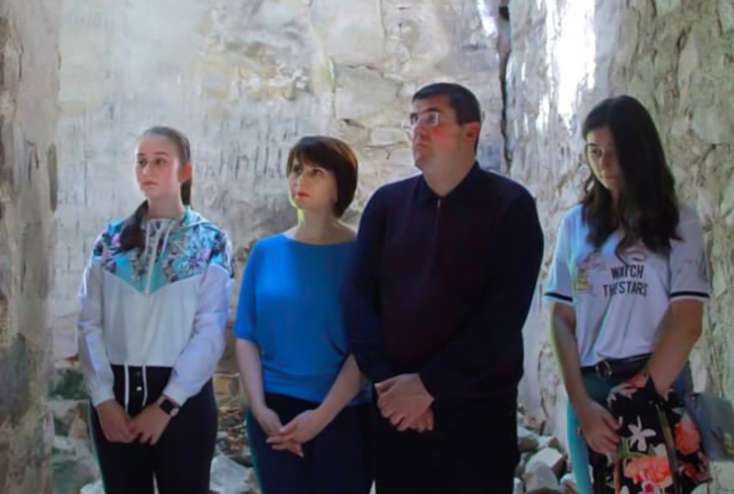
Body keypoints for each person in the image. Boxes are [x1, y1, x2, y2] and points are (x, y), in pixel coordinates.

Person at [343, 82, 544, 493]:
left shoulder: (511, 207)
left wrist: (429, 386)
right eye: (413, 119)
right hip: (397, 411)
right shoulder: (386, 206)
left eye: (432, 118)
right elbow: (357, 299)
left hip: (478, 417)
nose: (418, 129)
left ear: (471, 132)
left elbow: (502, 318)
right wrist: (391, 384)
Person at [545, 95, 711, 493]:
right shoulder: (575, 224)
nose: (605, 164)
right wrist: (582, 405)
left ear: (641, 151)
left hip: (657, 387)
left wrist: (638, 395)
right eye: (595, 151)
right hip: (592, 395)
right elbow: (560, 318)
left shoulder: (679, 221)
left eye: (616, 151)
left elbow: (687, 322)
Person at [77, 126, 234, 494]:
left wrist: (167, 405)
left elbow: (210, 331)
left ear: (185, 171)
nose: (147, 170)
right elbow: (88, 323)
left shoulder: (210, 242)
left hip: (183, 404)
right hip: (114, 401)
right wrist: (104, 400)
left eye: (160, 161)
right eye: (141, 162)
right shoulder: (110, 240)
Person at [233, 135, 371, 494]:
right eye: (296, 170)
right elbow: (246, 335)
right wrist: (259, 408)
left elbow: (367, 345)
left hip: (342, 413)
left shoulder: (362, 254)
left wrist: (321, 418)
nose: (300, 180)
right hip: (274, 414)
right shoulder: (265, 252)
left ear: (340, 184)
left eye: (315, 172)